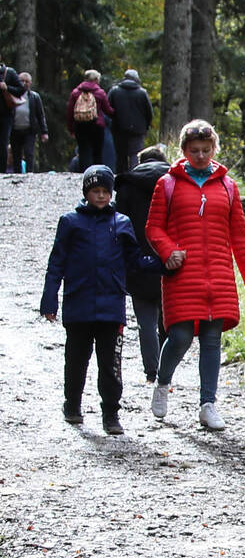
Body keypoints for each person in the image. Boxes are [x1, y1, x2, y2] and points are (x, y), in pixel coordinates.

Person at [145, 119, 245, 431]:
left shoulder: (228, 186)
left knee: (212, 340)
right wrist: (169, 251)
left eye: (206, 150)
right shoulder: (167, 184)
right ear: (183, 150)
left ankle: (208, 405)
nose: (200, 155)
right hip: (182, 273)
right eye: (194, 150)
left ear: (214, 149)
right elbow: (153, 227)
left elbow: (239, 236)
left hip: (219, 275)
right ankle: (162, 383)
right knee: (180, 336)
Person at [40, 166, 146, 435]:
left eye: (105, 192)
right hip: (79, 305)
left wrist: (164, 264)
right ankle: (72, 405)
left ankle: (111, 414)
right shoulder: (70, 222)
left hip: (111, 308)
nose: (100, 196)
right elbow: (57, 263)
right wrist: (49, 299)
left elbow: (134, 260)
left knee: (110, 363)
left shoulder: (121, 223)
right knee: (76, 360)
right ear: (86, 193)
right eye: (95, 191)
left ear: (111, 194)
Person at [115, 143, 171, 382]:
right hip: (171, 259)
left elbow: (117, 225)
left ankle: (152, 371)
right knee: (169, 319)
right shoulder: (175, 183)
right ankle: (168, 369)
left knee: (145, 321)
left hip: (137, 260)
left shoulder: (127, 186)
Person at [106, 69, 153, 172]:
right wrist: (146, 126)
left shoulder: (115, 91)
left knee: (120, 155)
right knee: (135, 155)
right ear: (136, 79)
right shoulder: (142, 92)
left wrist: (114, 120)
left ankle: (120, 177)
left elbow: (107, 108)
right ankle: (135, 175)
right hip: (138, 130)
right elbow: (149, 112)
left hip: (118, 129)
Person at [66, 69, 112, 172]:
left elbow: (70, 112)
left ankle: (84, 173)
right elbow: (108, 110)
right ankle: (98, 172)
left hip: (80, 125)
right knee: (97, 151)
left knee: (83, 151)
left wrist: (71, 129)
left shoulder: (76, 93)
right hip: (97, 125)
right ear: (96, 80)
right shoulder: (100, 93)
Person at [9, 71, 49, 173]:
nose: (24, 83)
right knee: (16, 153)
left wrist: (44, 132)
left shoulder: (34, 97)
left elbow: (40, 115)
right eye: (21, 81)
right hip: (15, 130)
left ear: (30, 83)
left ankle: (29, 173)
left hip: (29, 130)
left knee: (29, 152)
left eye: (26, 81)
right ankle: (17, 173)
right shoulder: (11, 95)